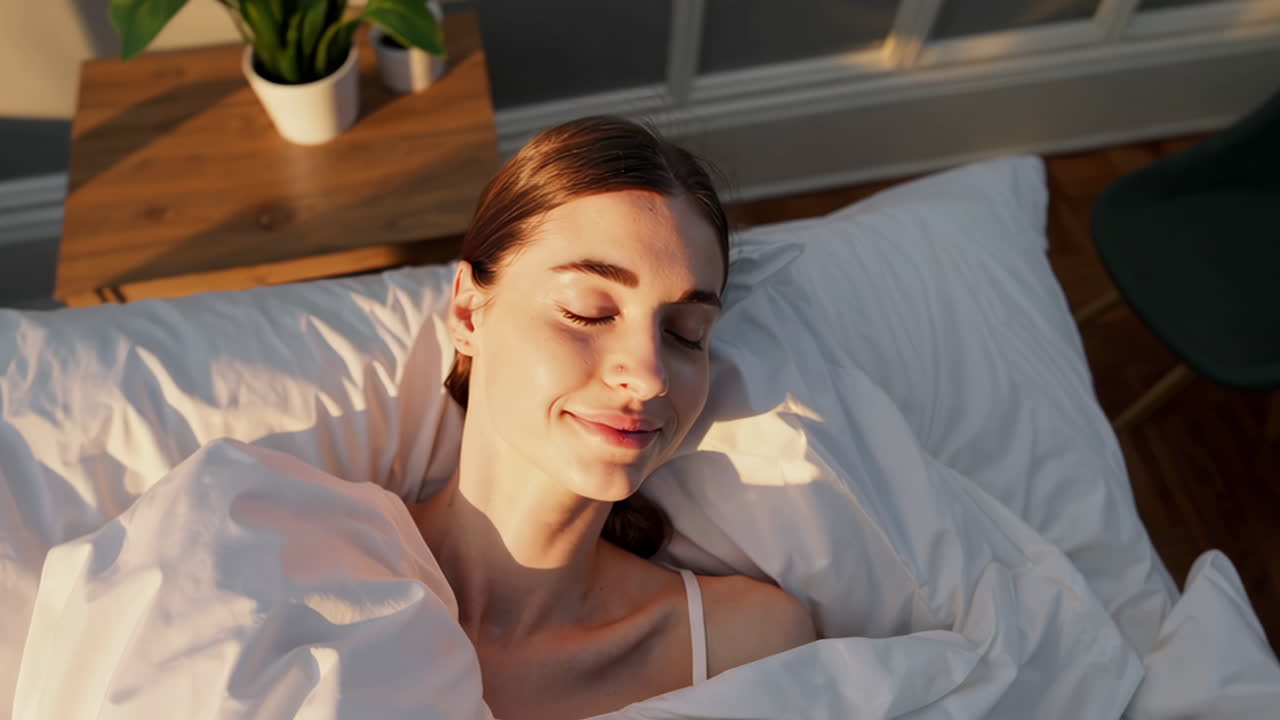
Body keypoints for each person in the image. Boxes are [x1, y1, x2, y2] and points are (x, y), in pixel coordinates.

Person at [404, 116, 817, 720]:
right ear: (469, 313)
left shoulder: (748, 646)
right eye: (589, 312)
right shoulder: (308, 553)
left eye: (684, 334)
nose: (649, 375)